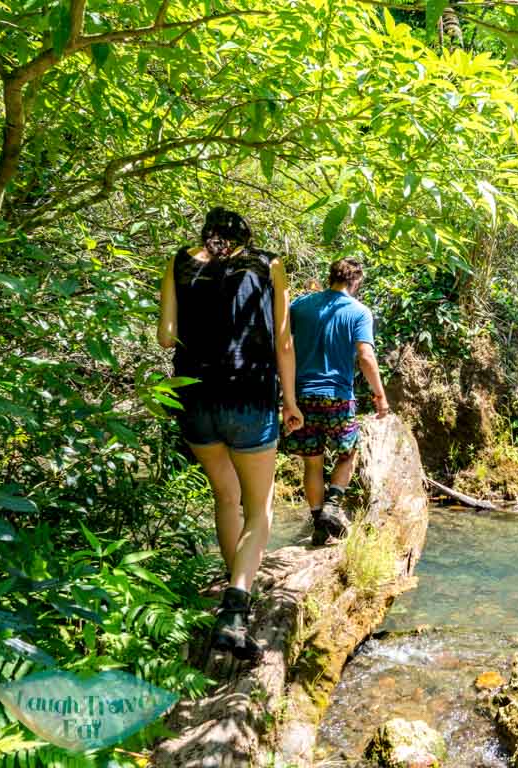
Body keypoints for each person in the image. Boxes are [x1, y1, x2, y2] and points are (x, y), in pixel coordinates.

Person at [157, 207, 302, 661]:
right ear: (245, 238)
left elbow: (166, 337)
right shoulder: (268, 264)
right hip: (249, 395)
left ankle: (233, 590)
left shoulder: (179, 262)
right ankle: (236, 611)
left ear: (206, 235)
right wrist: (291, 402)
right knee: (259, 509)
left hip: (195, 398)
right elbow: (283, 342)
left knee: (225, 497)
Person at [284, 258, 389, 544]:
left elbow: (283, 347)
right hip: (338, 397)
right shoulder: (359, 312)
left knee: (312, 464)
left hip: (302, 397)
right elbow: (366, 356)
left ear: (330, 277)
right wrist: (379, 395)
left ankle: (319, 523)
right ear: (356, 281)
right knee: (348, 453)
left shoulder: (300, 306)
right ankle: (332, 505)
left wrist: (285, 397)